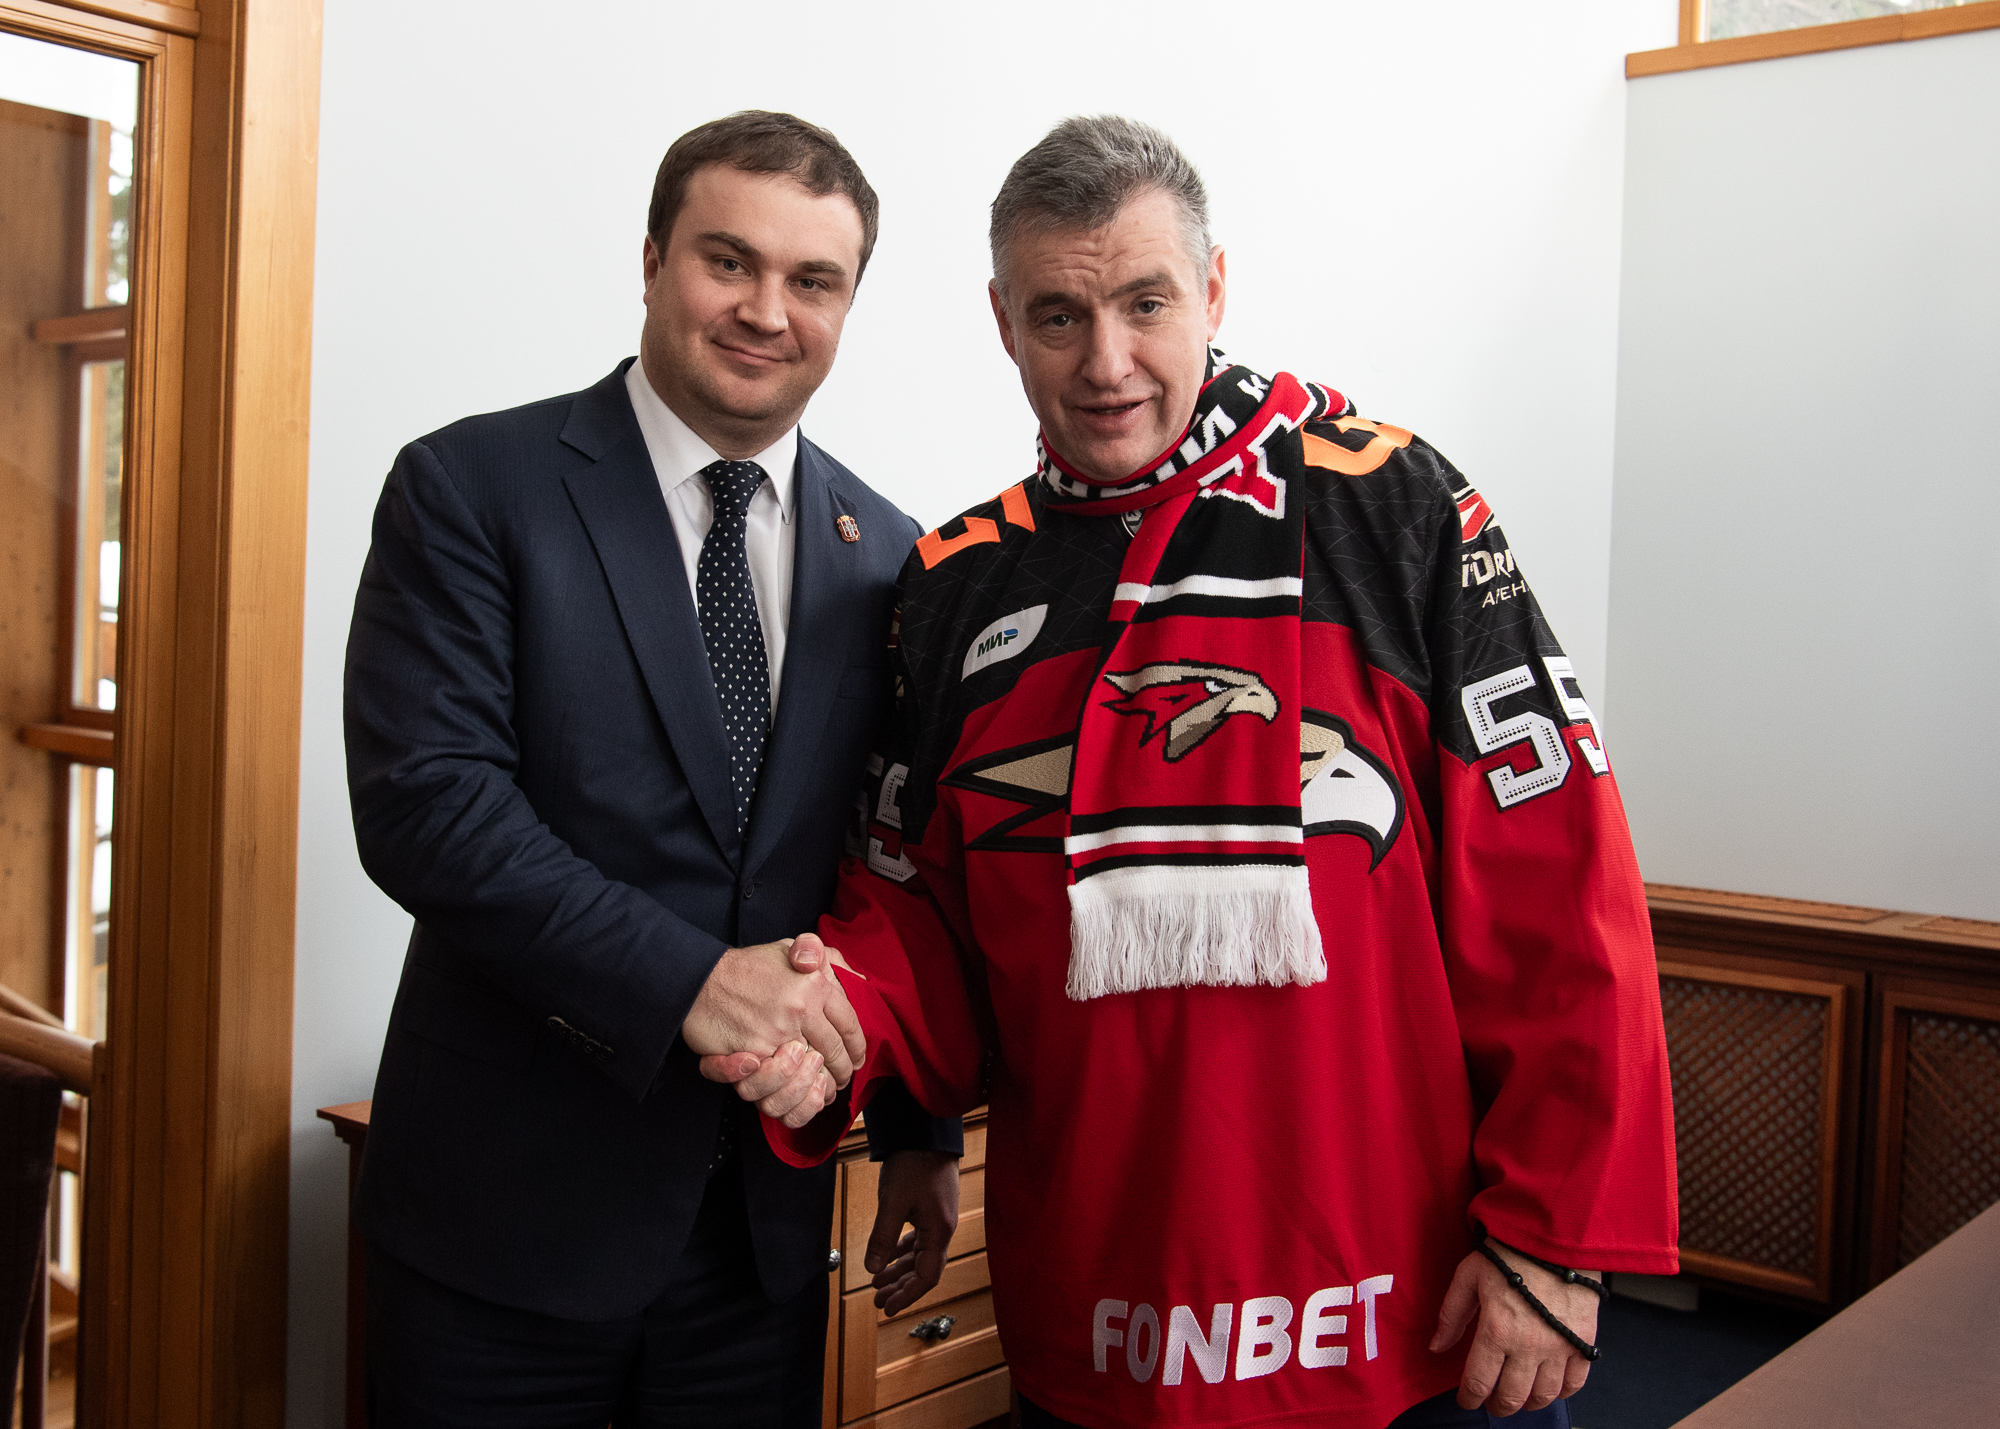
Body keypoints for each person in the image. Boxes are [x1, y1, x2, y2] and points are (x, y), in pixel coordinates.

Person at [718, 117, 1680, 1429]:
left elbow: (1558, 886)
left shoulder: (1394, 507)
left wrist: (1555, 1240)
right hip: (1102, 1313)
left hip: (1420, 1326)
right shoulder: (953, 585)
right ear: (1003, 324)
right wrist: (834, 1025)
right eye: (1059, 316)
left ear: (1214, 289)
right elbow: (919, 917)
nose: (1106, 362)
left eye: (1146, 303)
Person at [344, 111, 957, 1427]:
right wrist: (693, 984)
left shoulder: (890, 549)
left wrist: (915, 1129)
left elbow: (892, 857)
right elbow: (428, 807)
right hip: (501, 1234)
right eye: (729, 261)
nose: (766, 311)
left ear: (849, 306)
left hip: (760, 1246)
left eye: (813, 280)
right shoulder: (471, 487)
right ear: (650, 260)